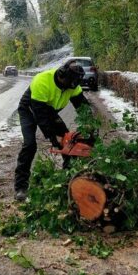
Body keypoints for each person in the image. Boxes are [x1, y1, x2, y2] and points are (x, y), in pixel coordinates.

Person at [14, 59, 90, 201]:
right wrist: (53, 138)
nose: (70, 90)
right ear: (62, 77)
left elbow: (83, 107)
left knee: (68, 141)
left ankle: (69, 179)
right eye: (68, 86)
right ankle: (21, 187)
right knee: (30, 145)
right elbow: (41, 117)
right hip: (29, 109)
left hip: (49, 110)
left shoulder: (72, 86)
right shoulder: (42, 81)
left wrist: (90, 126)